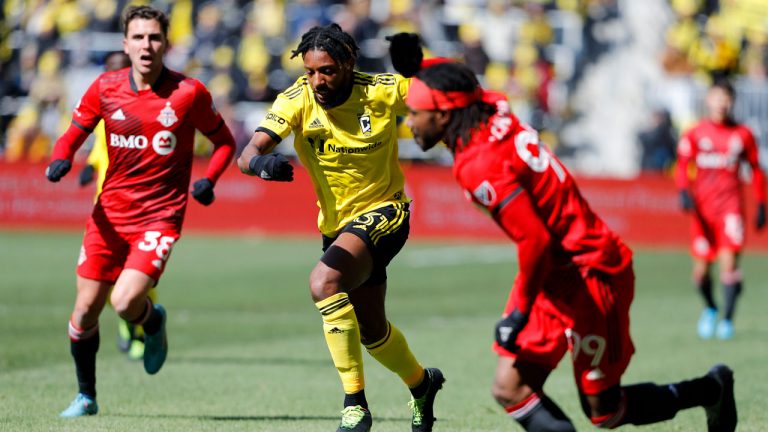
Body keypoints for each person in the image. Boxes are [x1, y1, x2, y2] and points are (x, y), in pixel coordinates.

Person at [404, 59, 737, 431]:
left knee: (605, 412)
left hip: (591, 274)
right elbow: (466, 83)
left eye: (415, 113)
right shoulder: (494, 107)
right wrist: (419, 64)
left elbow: (536, 239)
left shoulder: (478, 164)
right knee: (510, 388)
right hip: (553, 274)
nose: (409, 122)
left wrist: (519, 313)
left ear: (446, 114)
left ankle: (711, 389)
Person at [236, 23, 444, 432]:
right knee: (373, 332)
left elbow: (441, 92)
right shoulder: (297, 99)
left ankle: (355, 405)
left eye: (327, 70)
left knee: (323, 282)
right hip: (338, 228)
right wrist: (261, 165)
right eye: (310, 71)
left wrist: (423, 66)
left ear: (349, 63)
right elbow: (247, 154)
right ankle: (422, 384)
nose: (317, 81)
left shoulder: (381, 90)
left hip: (387, 212)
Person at [45, 5, 236, 417]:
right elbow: (71, 135)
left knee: (126, 301)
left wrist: (209, 180)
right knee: (83, 312)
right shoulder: (105, 88)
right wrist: (62, 158)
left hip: (159, 216)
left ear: (166, 43)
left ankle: (152, 321)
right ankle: (86, 396)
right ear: (125, 43)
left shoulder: (189, 93)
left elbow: (224, 142)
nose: (146, 45)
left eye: (154, 37)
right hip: (108, 215)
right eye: (139, 37)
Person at [77, 50, 157, 361]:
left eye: (118, 70)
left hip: (143, 206)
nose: (111, 76)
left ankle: (140, 328)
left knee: (137, 276)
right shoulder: (104, 104)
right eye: (107, 70)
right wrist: (90, 166)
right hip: (106, 205)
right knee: (108, 280)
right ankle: (132, 328)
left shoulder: (148, 106)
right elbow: (101, 145)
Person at [676, 80, 766, 340]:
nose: (721, 103)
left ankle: (727, 319)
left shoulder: (743, 135)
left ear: (732, 101)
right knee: (701, 272)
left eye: (726, 98)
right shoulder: (695, 133)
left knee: (729, 265)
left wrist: (762, 203)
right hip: (703, 212)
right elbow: (683, 165)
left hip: (731, 209)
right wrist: (683, 191)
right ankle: (711, 308)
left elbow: (756, 170)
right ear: (708, 100)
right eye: (717, 97)